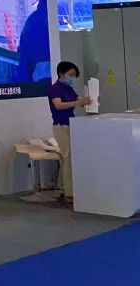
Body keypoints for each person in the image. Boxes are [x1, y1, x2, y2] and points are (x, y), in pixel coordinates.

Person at [48, 61, 91, 202]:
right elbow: (58, 105)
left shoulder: (69, 89)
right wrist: (77, 103)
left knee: (73, 157)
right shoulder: (54, 89)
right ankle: (69, 193)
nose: (73, 78)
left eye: (74, 76)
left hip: (71, 124)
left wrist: (88, 101)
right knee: (67, 158)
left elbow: (79, 100)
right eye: (71, 75)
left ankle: (73, 188)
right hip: (61, 126)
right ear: (61, 74)